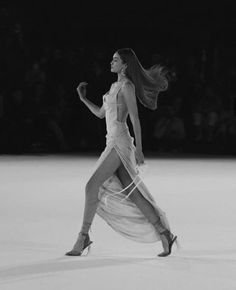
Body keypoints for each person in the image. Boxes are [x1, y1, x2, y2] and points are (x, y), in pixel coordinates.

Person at [66, 48, 177, 257]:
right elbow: (101, 113)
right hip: (112, 141)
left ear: (125, 65)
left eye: (115, 60)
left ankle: (83, 236)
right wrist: (83, 100)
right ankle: (165, 234)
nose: (111, 62)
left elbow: (135, 119)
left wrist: (140, 150)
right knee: (133, 194)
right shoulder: (114, 86)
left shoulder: (126, 86)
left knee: (92, 185)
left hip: (120, 143)